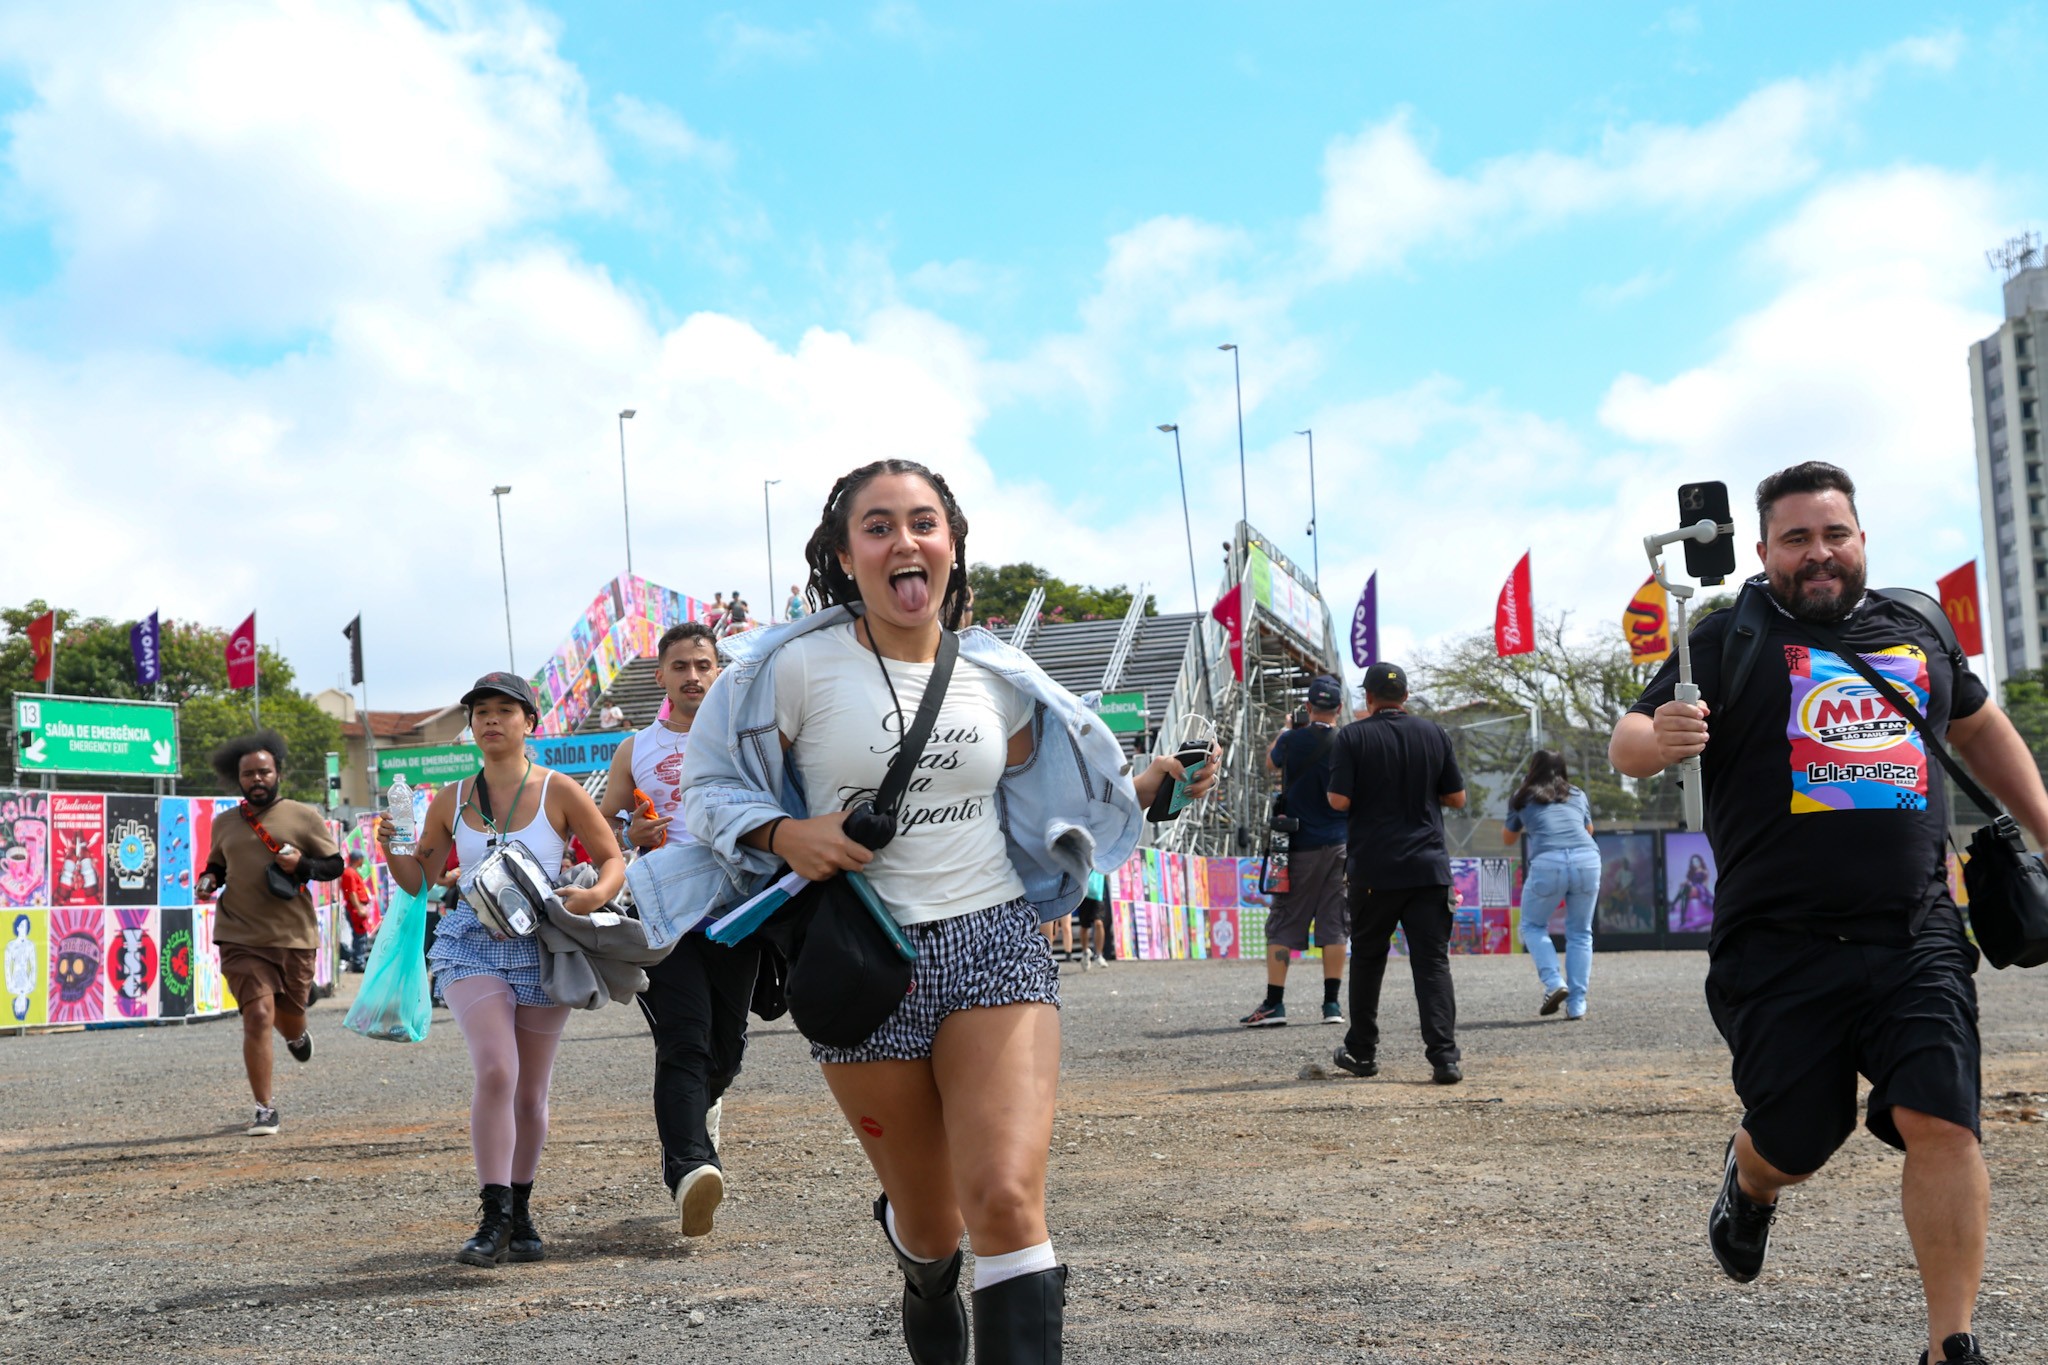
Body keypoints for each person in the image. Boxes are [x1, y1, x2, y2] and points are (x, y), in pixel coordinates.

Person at [679, 458, 1213, 1364]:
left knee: (1003, 1196)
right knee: (934, 1222)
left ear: (952, 544)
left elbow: (1054, 795)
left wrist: (1150, 784)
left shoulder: (999, 677)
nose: (903, 540)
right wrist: (782, 832)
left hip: (993, 938)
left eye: (923, 522)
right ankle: (924, 1270)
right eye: (878, 526)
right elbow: (707, 788)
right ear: (847, 557)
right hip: (860, 958)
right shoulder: (789, 670)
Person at [1610, 462, 2048, 1365]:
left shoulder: (1916, 625)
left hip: (1917, 928)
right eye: (1797, 538)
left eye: (1834, 534)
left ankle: (1949, 1345)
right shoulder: (1728, 634)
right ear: (1764, 550)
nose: (1819, 553)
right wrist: (1665, 737)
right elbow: (1630, 736)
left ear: (1860, 539)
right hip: (1777, 943)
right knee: (1802, 1136)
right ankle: (1753, 1181)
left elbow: (1978, 727)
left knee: (1945, 1120)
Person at [378, 672, 626, 1269]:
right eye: (481, 712)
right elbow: (420, 881)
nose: (492, 720)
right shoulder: (450, 799)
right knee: (496, 1070)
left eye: (505, 711)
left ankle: (521, 1208)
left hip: (543, 947)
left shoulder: (560, 791)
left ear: (529, 723)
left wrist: (588, 900)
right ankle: (492, 1216)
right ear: (471, 727)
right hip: (470, 945)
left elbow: (612, 859)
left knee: (531, 1091)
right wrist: (390, 848)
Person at [599, 621, 758, 1239]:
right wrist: (627, 837)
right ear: (660, 675)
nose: (694, 676)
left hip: (739, 909)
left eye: (704, 665)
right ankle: (692, 1166)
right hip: (665, 913)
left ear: (719, 672)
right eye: (681, 667)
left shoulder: (745, 740)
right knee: (685, 1038)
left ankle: (697, 1111)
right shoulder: (633, 747)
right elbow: (602, 829)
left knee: (727, 1049)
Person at [1324, 662, 1467, 1085]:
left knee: (1368, 958)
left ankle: (1362, 1052)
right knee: (1432, 964)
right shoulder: (1435, 734)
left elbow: (1338, 801)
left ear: (1367, 698)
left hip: (1374, 869)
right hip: (1428, 867)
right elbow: (1456, 798)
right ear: (1406, 696)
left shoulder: (1352, 736)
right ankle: (1445, 1058)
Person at [198, 730, 343, 1136]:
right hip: (239, 934)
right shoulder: (224, 823)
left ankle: (297, 1034)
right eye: (248, 774)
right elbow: (218, 867)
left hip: (293, 935)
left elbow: (334, 866)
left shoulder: (303, 816)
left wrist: (302, 865)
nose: (256, 779)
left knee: (289, 1015)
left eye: (264, 771)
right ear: (237, 778)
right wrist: (208, 880)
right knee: (258, 1015)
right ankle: (264, 1109)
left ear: (278, 772)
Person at [1241, 673, 1349, 1027]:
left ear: (1307, 707)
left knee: (1284, 920)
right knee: (1334, 922)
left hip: (1298, 844)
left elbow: (1271, 763)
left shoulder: (1292, 740)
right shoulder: (1349, 741)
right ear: (1340, 708)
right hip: (1341, 843)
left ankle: (1275, 1004)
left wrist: (1288, 728)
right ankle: (1332, 1005)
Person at [1502, 750, 1601, 1020]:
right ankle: (1577, 1004)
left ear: (1532, 769)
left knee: (1532, 926)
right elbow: (1588, 830)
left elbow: (1509, 838)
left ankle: (1554, 982)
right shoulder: (1577, 794)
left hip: (1549, 862)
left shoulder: (1522, 796)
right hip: (1587, 860)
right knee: (1580, 932)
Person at [340, 850, 377, 972]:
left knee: (361, 936)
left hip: (357, 907)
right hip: (355, 908)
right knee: (360, 937)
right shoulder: (349, 873)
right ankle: (358, 963)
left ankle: (358, 961)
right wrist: (359, 908)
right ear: (358, 859)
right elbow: (352, 893)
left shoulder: (352, 872)